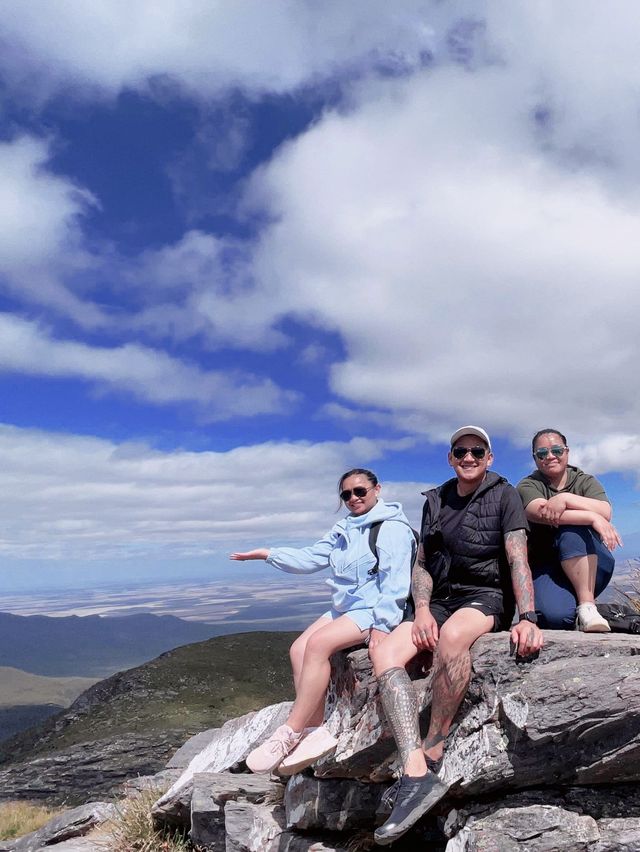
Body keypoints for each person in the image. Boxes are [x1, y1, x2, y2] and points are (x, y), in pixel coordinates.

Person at [369, 426, 544, 846]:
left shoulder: (505, 496)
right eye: (460, 451)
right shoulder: (436, 500)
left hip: (485, 595)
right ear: (450, 458)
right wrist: (423, 609)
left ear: (489, 457)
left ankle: (434, 747)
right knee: (386, 655)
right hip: (441, 597)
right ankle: (415, 772)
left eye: (476, 451)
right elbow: (422, 564)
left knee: (452, 639)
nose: (468, 457)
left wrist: (528, 616)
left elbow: (516, 556)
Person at [229, 468, 416, 775]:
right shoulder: (344, 529)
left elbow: (395, 582)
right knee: (298, 649)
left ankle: (290, 730)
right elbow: (312, 558)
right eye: (346, 494)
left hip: (371, 609)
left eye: (360, 491)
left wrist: (383, 625)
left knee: (318, 645)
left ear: (377, 489)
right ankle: (310, 731)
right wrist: (268, 554)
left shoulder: (391, 528)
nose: (353, 498)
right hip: (346, 608)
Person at [517, 428, 622, 631]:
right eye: (542, 453)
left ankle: (587, 606)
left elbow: (605, 510)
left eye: (557, 450)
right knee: (555, 618)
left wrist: (565, 498)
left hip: (591, 560)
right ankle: (574, 609)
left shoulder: (584, 481)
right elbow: (540, 512)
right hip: (548, 566)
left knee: (571, 531)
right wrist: (591, 517)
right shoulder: (528, 485)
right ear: (535, 458)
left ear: (567, 452)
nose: (550, 456)